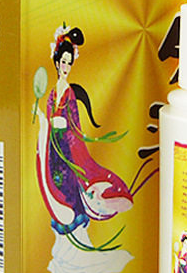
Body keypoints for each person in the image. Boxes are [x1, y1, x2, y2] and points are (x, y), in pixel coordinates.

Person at [36, 24, 133, 237]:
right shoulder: (53, 92)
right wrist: (46, 122)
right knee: (55, 181)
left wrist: (62, 126)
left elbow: (73, 122)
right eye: (63, 62)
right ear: (56, 62)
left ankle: (76, 218)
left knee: (69, 183)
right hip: (54, 148)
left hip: (67, 148)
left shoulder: (69, 92)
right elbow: (51, 115)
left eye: (69, 63)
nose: (66, 67)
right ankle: (63, 219)